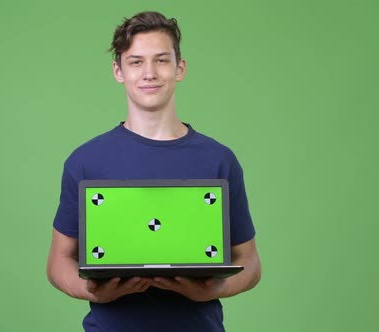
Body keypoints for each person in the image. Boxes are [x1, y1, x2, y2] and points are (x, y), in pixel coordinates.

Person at [47, 11, 261, 332]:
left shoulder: (219, 160)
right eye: (136, 62)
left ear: (180, 68)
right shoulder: (85, 160)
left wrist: (212, 290)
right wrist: (95, 292)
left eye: (161, 60)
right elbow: (58, 261)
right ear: (118, 71)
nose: (149, 73)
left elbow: (251, 262)